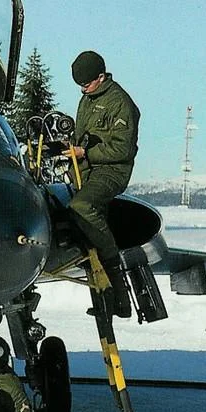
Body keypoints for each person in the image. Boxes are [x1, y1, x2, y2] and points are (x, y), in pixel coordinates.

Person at [67, 50, 140, 317]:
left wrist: (86, 153)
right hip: (86, 169)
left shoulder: (120, 102)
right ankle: (112, 301)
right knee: (84, 231)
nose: (83, 90)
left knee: (82, 206)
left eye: (86, 84)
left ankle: (117, 283)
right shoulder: (88, 98)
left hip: (111, 171)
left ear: (101, 77)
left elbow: (123, 149)